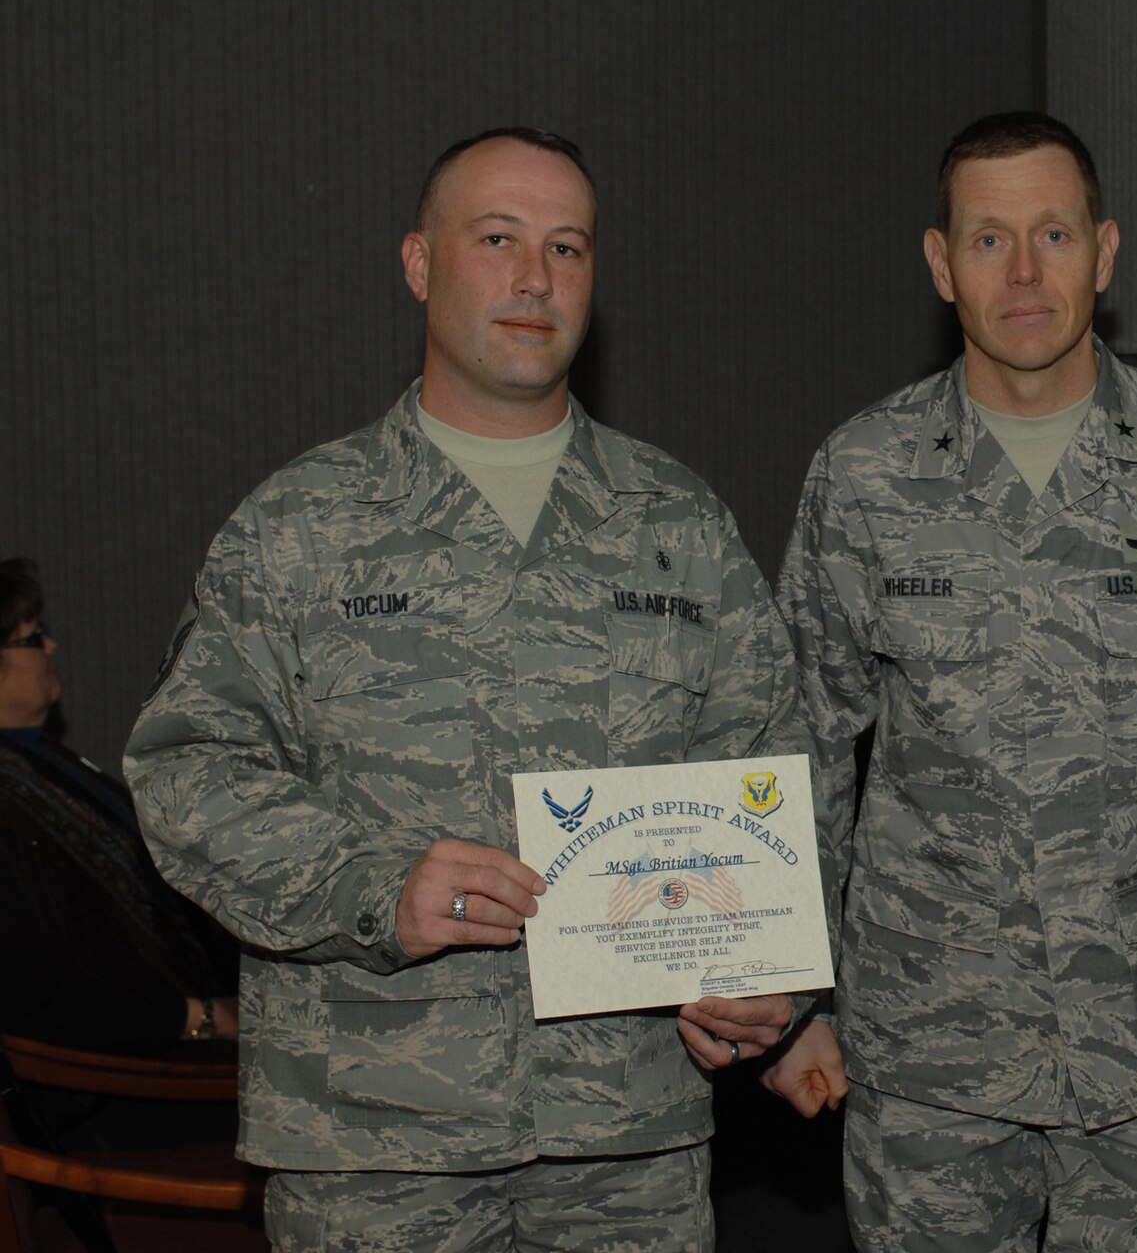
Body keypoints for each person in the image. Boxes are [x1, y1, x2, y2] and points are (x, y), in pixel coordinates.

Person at [125, 127, 813, 1252]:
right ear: (418, 262)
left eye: (566, 247)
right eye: (496, 239)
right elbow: (187, 770)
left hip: (624, 1136)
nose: (534, 278)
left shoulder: (675, 523)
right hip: (374, 1136)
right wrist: (370, 883)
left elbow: (773, 777)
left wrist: (763, 980)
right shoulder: (302, 525)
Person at [763, 111, 1137, 1251]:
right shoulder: (863, 471)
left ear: (1105, 250)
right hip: (931, 1053)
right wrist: (793, 1003)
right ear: (941, 265)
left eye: (1053, 233)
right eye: (989, 241)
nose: (1026, 272)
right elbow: (801, 754)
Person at [0, 557, 240, 1150]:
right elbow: (37, 993)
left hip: (169, 1045)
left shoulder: (45, 766)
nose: (51, 645)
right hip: (126, 1089)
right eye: (33, 639)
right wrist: (206, 1017)